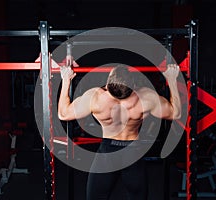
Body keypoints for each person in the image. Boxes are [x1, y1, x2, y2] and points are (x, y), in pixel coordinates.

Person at [58, 61, 181, 200]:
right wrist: (172, 80)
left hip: (107, 154)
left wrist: (66, 80)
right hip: (133, 153)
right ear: (133, 85)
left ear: (108, 83)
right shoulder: (146, 98)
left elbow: (63, 114)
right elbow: (175, 113)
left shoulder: (96, 98)